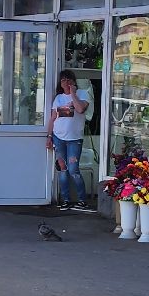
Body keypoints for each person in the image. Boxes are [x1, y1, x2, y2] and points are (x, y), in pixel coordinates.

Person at [47, 69, 90, 210]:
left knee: (73, 170)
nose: (66, 82)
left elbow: (80, 109)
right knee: (63, 169)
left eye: (68, 79)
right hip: (58, 137)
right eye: (63, 80)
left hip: (74, 139)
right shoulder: (58, 98)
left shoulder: (82, 94)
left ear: (73, 81)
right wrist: (49, 136)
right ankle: (65, 199)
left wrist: (73, 93)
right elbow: (53, 118)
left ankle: (82, 199)